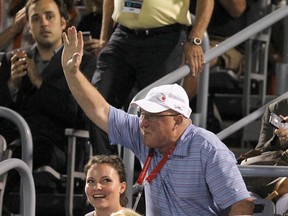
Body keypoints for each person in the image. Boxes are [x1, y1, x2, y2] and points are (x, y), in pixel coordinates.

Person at [61, 27, 255, 215]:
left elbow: (242, 206)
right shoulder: (144, 134)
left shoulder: (208, 149)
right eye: (143, 114)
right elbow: (100, 111)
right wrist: (72, 73)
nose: (143, 122)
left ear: (178, 121)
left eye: (152, 116)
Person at [87, 0, 213, 155]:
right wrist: (104, 38)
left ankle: (158, 175)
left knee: (159, 116)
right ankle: (108, 171)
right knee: (95, 102)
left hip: (164, 39)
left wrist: (195, 39)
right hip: (121, 35)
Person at [0, 0, 96, 172]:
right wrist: (12, 85)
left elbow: (79, 116)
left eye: (49, 16)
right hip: (11, 138)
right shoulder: (12, 60)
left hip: (55, 145)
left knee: (17, 153)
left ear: (63, 22)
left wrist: (39, 83)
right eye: (35, 18)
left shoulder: (83, 63)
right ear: (28, 26)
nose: (43, 23)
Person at [183, 0, 248, 100]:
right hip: (186, 37)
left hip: (226, 44)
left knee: (194, 59)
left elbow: (238, 9)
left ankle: (172, 110)